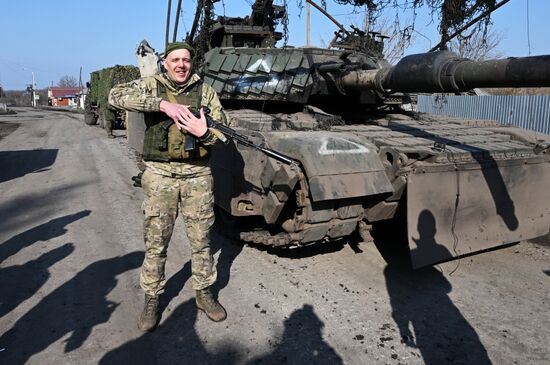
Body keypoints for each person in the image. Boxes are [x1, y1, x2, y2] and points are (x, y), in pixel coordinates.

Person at [109, 41, 227, 331]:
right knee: (156, 242)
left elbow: (223, 131)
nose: (181, 65)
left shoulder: (205, 91)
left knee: (202, 241)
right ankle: (152, 297)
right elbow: (115, 95)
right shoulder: (152, 85)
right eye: (175, 59)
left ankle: (204, 292)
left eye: (186, 60)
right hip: (160, 175)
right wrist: (162, 105)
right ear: (166, 63)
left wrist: (205, 133)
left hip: (197, 174)